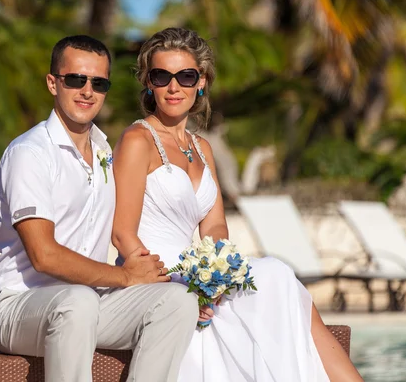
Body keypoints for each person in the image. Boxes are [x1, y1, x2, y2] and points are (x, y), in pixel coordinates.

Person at [112, 27, 363, 382]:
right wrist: (181, 291)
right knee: (274, 278)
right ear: (148, 83)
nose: (173, 87)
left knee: (276, 274)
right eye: (161, 76)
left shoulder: (202, 148)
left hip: (199, 277)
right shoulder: (138, 140)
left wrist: (213, 280)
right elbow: (122, 233)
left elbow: (214, 227)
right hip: (157, 279)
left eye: (185, 76)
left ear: (201, 82)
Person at [0, 34, 199, 382]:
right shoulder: (30, 153)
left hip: (90, 303)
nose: (87, 91)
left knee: (178, 301)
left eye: (98, 83)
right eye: (76, 80)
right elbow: (45, 256)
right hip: (18, 306)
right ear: (53, 83)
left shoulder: (104, 152)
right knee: (77, 302)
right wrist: (126, 276)